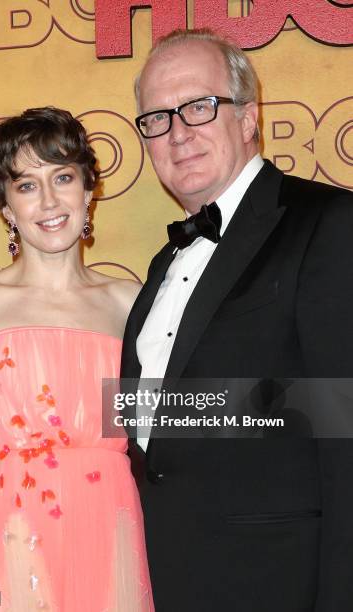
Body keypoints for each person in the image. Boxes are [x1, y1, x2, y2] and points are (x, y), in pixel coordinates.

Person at [120, 28, 353, 611]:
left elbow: (342, 418)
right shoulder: (161, 266)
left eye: (199, 107)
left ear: (249, 117)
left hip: (279, 581)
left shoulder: (326, 222)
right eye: (157, 118)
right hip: (167, 578)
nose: (178, 133)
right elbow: (146, 422)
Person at [0, 107, 154, 611]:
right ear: (6, 206)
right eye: (26, 186)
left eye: (63, 177)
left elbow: (157, 431)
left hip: (107, 529)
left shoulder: (130, 301)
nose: (49, 201)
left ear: (88, 191)